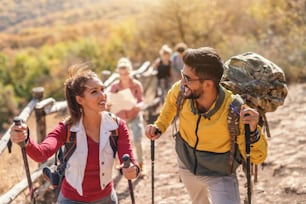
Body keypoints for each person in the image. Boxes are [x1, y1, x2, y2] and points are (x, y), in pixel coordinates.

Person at [145, 47, 268, 204]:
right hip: (186, 164)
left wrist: (253, 131)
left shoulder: (234, 110)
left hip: (219, 174)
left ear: (208, 84)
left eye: (188, 78)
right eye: (183, 75)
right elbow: (170, 105)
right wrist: (159, 126)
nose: (182, 82)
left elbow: (258, 156)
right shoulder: (182, 91)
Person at [10, 63, 139, 204]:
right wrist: (26, 139)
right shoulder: (67, 128)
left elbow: (130, 161)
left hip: (106, 199)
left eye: (102, 89)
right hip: (71, 200)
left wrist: (133, 169)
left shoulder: (117, 126)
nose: (103, 95)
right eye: (94, 91)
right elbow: (41, 153)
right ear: (79, 100)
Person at [108, 58, 146, 176]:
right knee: (122, 142)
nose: (124, 76)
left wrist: (137, 106)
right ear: (118, 74)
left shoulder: (136, 85)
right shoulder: (114, 87)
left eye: (126, 73)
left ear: (130, 72)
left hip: (134, 115)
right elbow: (109, 101)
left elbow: (142, 101)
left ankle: (141, 165)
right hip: (120, 119)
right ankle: (124, 165)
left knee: (138, 139)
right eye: (121, 74)